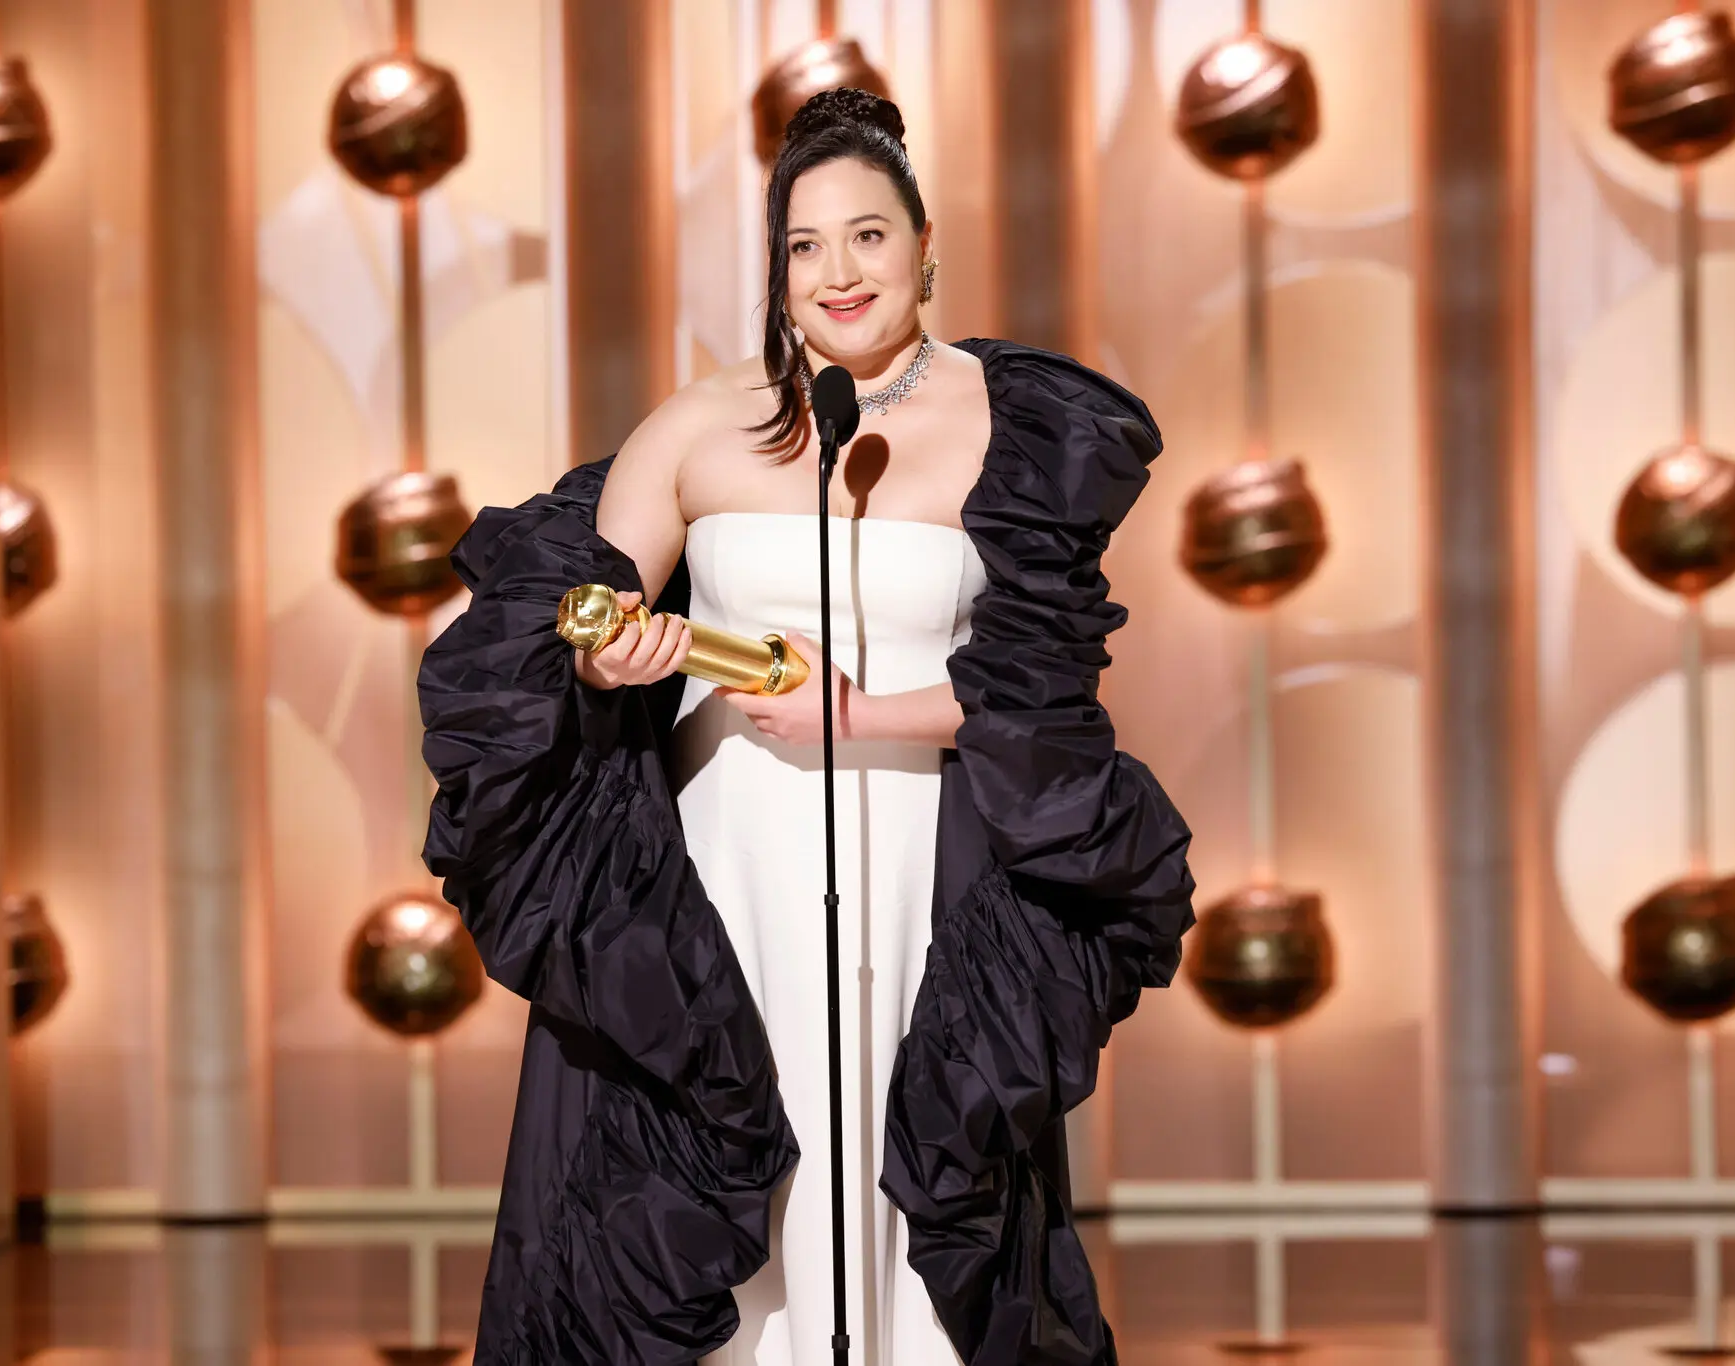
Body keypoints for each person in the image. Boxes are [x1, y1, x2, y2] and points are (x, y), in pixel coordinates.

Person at [418, 88, 1195, 1366]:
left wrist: (859, 711)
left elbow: (1038, 697)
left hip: (913, 857)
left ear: (924, 242)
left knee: (897, 1163)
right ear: (775, 269)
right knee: (739, 1159)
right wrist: (614, 662)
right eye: (803, 245)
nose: (837, 272)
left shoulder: (1013, 425)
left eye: (868, 236)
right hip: (726, 868)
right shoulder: (695, 426)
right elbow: (570, 627)